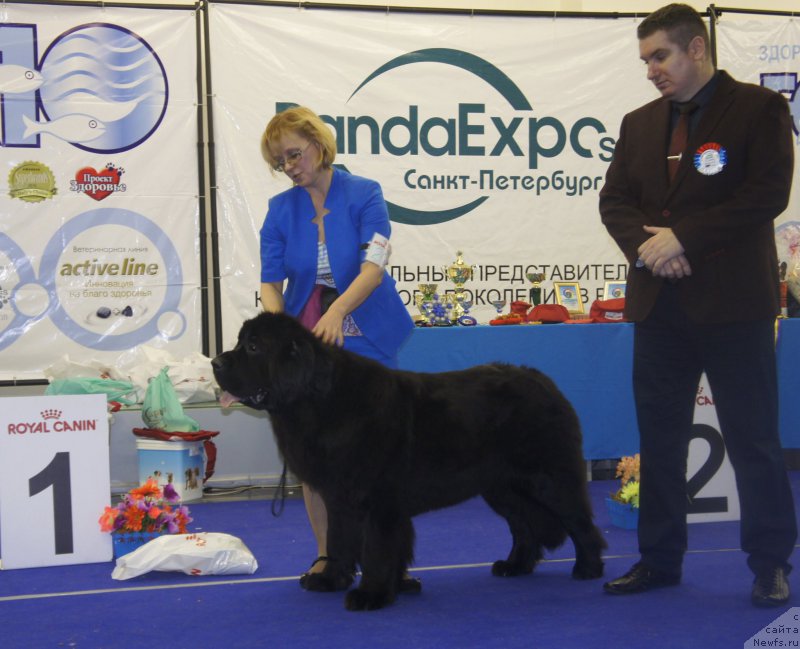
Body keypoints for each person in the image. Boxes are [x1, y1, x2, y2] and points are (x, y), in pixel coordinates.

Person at [599, 3, 797, 607]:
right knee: (659, 439)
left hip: (734, 307)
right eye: (645, 60)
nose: (651, 70)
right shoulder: (637, 124)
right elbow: (615, 203)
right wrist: (653, 250)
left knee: (753, 439)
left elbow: (766, 194)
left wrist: (683, 238)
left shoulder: (761, 109)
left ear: (697, 49)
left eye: (660, 56)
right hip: (661, 308)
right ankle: (660, 560)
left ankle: (769, 564)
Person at [258, 106, 417, 592]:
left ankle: (382, 562)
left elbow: (373, 266)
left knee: (380, 458)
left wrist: (337, 312)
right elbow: (270, 281)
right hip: (311, 344)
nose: (289, 166)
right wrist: (279, 330)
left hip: (369, 333)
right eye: (280, 161)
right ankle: (330, 557)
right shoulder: (279, 211)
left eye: (293, 154)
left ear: (318, 144)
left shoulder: (365, 193)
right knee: (315, 458)